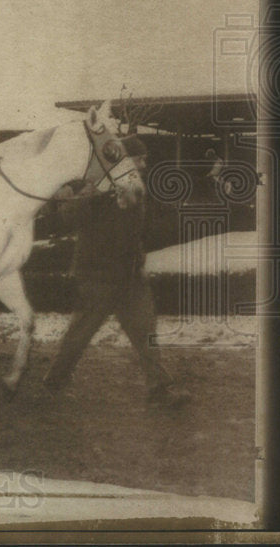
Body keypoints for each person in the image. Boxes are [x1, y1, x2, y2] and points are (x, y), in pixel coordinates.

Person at [43, 135, 190, 408]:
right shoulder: (96, 187)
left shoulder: (136, 189)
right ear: (124, 160)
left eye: (144, 159)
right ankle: (54, 381)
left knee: (145, 330)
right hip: (97, 276)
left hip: (130, 276)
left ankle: (158, 389)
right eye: (139, 158)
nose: (144, 164)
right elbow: (67, 218)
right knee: (81, 332)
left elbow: (146, 228)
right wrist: (93, 197)